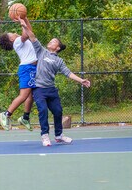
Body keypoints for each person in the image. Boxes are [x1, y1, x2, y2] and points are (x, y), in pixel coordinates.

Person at [18, 17, 90, 147]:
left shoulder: (59, 61)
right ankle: (44, 136)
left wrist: (81, 80)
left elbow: (68, 73)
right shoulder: (41, 51)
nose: (50, 41)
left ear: (57, 48)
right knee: (43, 111)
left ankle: (58, 136)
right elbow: (32, 37)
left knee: (58, 111)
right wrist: (24, 26)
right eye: (51, 40)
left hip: (51, 89)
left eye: (54, 41)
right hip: (39, 89)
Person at [0, 23, 37, 131]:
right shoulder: (17, 41)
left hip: (32, 69)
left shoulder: (20, 42)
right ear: (11, 39)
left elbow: (29, 31)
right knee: (24, 95)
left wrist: (25, 18)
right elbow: (26, 34)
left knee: (30, 95)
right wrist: (22, 21)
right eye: (12, 33)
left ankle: (25, 117)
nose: (15, 33)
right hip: (27, 69)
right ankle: (6, 114)